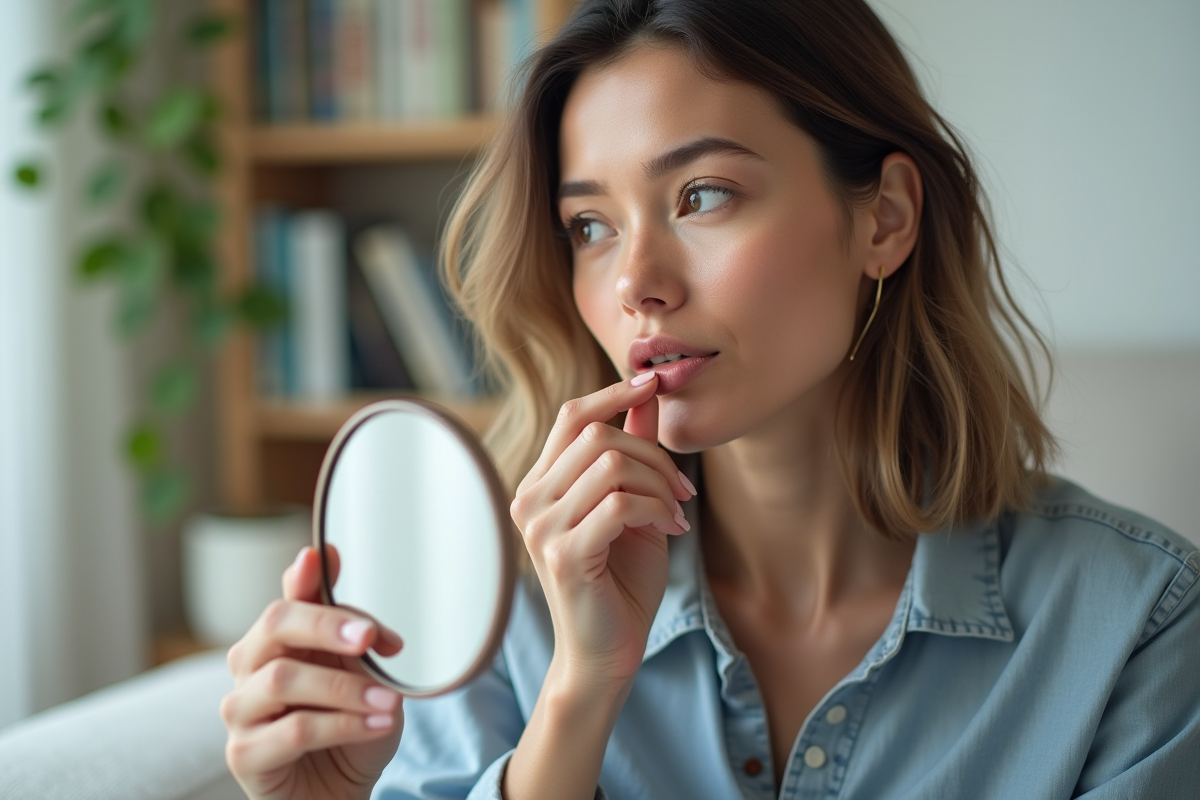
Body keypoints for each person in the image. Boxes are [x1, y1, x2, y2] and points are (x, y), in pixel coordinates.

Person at [220, 1, 1200, 798]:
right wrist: (577, 697)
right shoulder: (504, 615)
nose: (635, 281)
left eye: (702, 195)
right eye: (591, 224)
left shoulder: (1135, 625)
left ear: (885, 218)